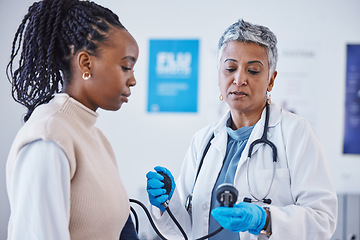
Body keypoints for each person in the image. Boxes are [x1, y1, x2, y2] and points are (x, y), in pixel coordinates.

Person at [146, 19, 337, 239]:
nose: (239, 79)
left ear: (271, 80)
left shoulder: (296, 132)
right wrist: (167, 204)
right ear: (219, 75)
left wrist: (265, 219)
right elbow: (184, 230)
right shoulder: (204, 140)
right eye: (230, 68)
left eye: (253, 71)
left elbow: (323, 220)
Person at [6, 0, 139, 239]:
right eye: (126, 67)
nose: (133, 80)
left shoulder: (94, 136)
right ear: (86, 63)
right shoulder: (49, 137)